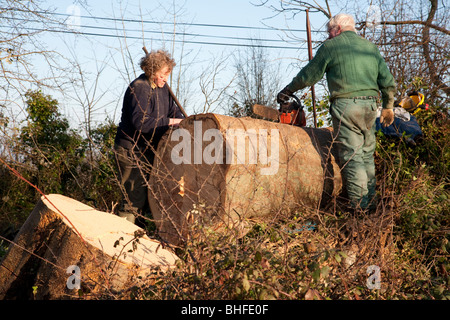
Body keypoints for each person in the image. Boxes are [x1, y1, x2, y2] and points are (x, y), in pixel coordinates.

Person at [277, 13, 396, 213]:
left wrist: (288, 90)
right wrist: (388, 106)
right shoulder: (370, 48)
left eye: (329, 32)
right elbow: (387, 79)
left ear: (338, 29)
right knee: (366, 155)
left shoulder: (331, 47)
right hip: (370, 107)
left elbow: (310, 74)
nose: (328, 36)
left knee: (352, 156)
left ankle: (361, 210)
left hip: (346, 106)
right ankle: (372, 204)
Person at [114, 49, 185, 225]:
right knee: (133, 199)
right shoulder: (139, 88)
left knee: (149, 199)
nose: (165, 78)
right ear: (151, 71)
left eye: (167, 74)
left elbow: (175, 112)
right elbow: (142, 122)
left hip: (147, 150)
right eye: (162, 74)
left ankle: (140, 239)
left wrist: (184, 122)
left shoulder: (163, 89)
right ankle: (121, 239)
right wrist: (170, 122)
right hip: (130, 150)